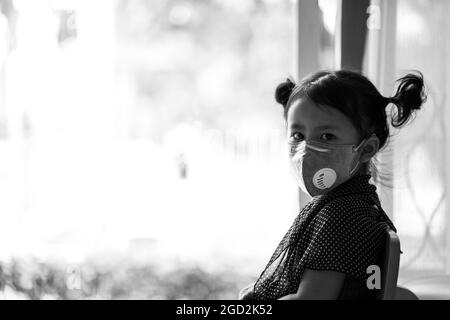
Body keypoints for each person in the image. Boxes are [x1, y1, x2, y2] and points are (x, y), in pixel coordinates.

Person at [238, 69, 427, 300]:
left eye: (327, 136)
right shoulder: (357, 204)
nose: (306, 150)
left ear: (366, 148)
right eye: (298, 135)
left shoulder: (340, 217)